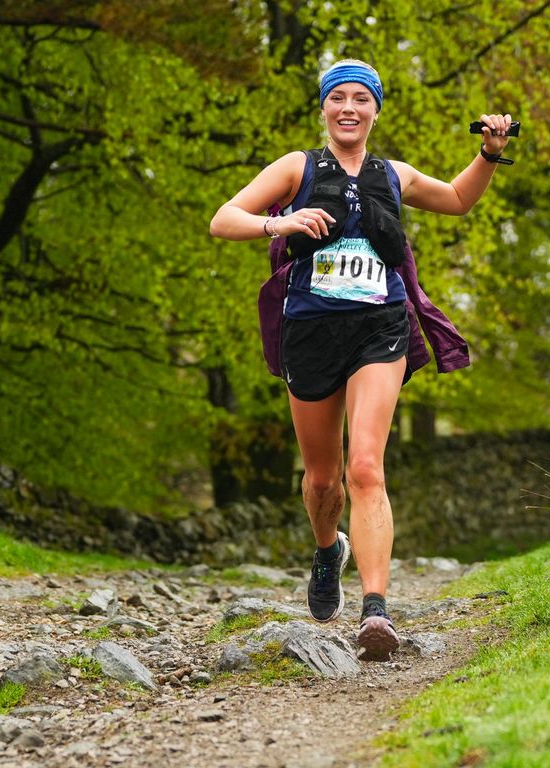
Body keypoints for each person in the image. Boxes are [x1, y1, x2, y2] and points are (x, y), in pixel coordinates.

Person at [209, 58, 512, 661]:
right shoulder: (296, 168)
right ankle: (328, 550)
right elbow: (224, 219)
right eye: (338, 99)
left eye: (361, 99)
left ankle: (376, 612)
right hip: (311, 330)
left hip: (381, 326)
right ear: (324, 109)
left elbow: (455, 199)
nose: (349, 108)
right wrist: (283, 221)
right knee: (323, 480)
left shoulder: (392, 174)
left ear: (375, 110)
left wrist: (490, 154)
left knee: (366, 467)